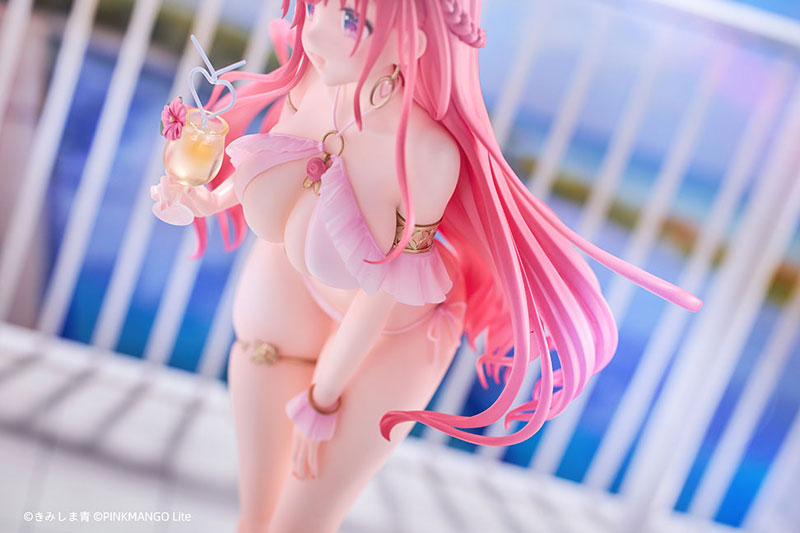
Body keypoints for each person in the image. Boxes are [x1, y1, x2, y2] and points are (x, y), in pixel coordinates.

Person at [151, 1, 702, 531]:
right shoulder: (314, 82)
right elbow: (274, 158)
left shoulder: (425, 155)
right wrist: (205, 199)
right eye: (316, 6)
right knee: (255, 518)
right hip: (295, 291)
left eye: (351, 20)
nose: (312, 32)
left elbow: (382, 292)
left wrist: (323, 397)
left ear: (411, 42)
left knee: (299, 526)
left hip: (393, 336)